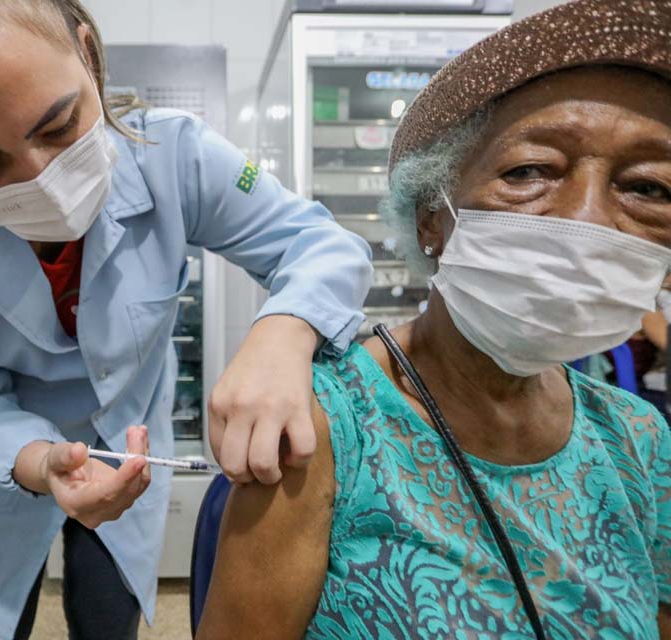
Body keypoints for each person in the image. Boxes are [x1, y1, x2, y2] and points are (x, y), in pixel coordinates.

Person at [0, 1, 372, 639]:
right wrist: (43, 463)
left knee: (106, 620)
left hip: (133, 449)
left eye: (57, 125)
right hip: (2, 462)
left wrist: (283, 334)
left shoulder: (174, 155)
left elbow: (323, 247)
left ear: (89, 56)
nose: (39, 180)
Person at [197, 1, 671, 638]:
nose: (586, 219)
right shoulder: (325, 431)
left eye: (647, 187)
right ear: (431, 217)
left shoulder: (641, 442)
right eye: (528, 172)